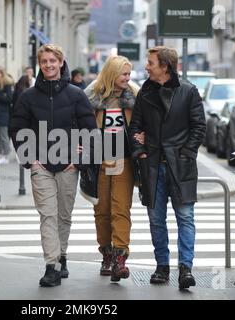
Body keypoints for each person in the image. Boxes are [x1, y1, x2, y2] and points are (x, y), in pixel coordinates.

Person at [9, 44, 97, 287]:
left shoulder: (76, 94)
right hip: (41, 166)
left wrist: (79, 159)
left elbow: (90, 131)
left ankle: (62, 255)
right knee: (47, 215)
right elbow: (17, 129)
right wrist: (29, 159)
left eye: (52, 61)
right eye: (44, 61)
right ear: (40, 64)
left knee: (63, 215)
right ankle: (51, 266)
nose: (48, 65)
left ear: (61, 62)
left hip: (69, 165)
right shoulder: (28, 96)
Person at [128, 46, 206, 289]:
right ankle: (162, 266)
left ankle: (186, 269)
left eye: (151, 62)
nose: (147, 66)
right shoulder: (144, 93)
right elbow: (134, 128)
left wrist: (185, 153)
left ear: (165, 66)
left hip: (179, 166)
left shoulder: (188, 92)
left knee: (185, 217)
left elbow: (199, 127)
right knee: (156, 219)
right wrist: (139, 150)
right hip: (152, 166)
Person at [84, 55, 143, 282]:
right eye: (123, 74)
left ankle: (120, 258)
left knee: (121, 209)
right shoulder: (93, 98)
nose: (127, 78)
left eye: (129, 74)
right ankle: (106, 254)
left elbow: (141, 125)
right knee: (102, 210)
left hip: (124, 159)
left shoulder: (135, 98)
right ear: (111, 74)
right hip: (99, 160)